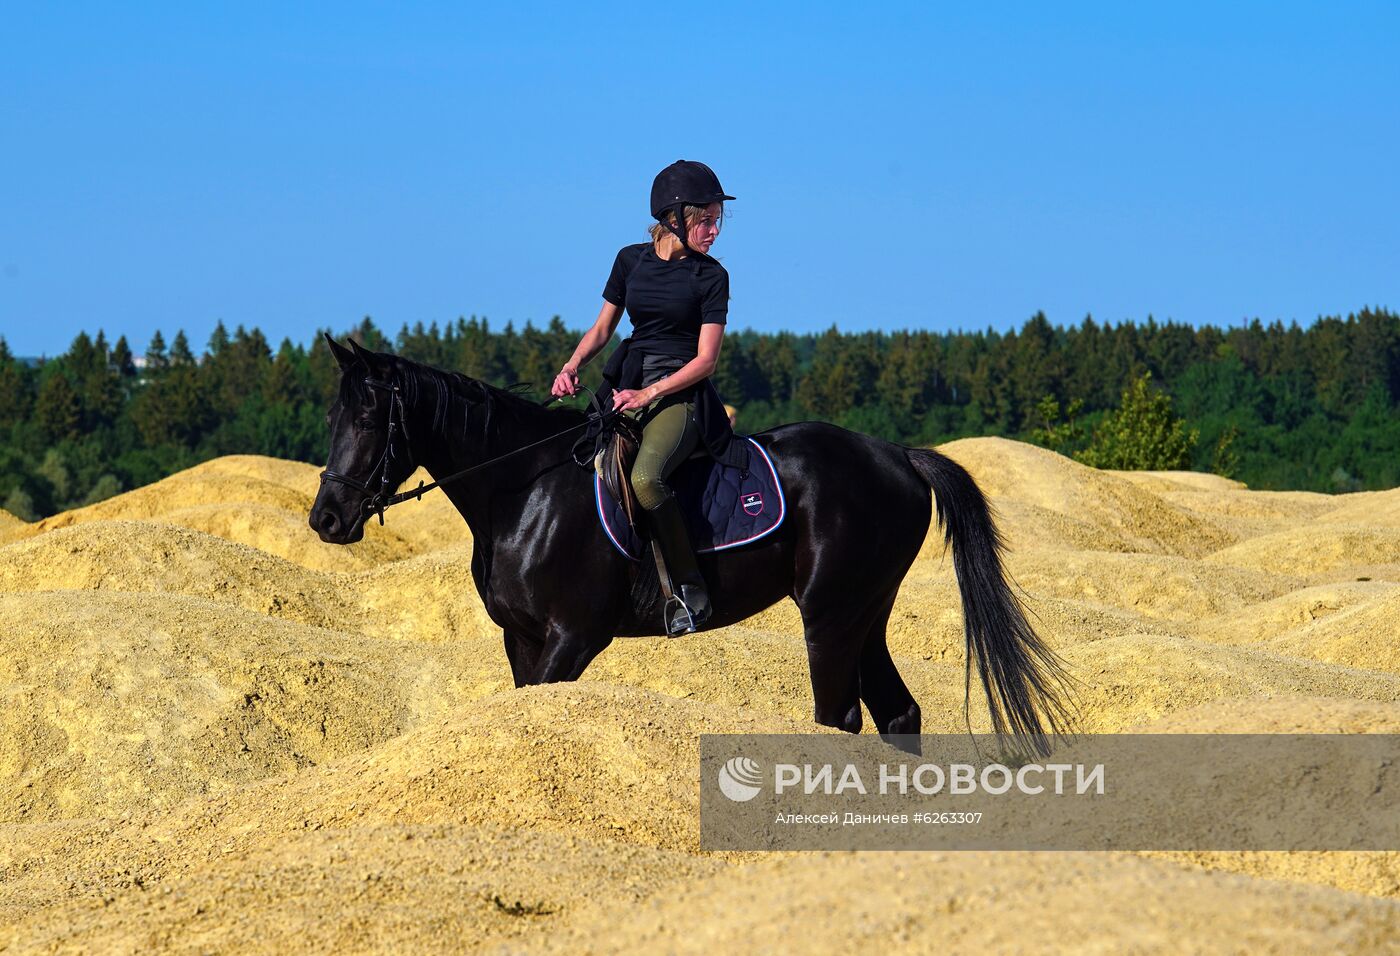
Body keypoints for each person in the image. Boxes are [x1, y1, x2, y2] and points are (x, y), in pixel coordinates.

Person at [551, 160, 744, 636]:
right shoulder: (628, 260)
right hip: (628, 381)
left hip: (680, 396)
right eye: (707, 220)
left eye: (718, 220)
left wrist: (650, 393)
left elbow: (705, 361)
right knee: (574, 463)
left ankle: (691, 592)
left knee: (646, 478)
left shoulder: (712, 277)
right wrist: (571, 365)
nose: (714, 231)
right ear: (675, 217)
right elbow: (602, 328)